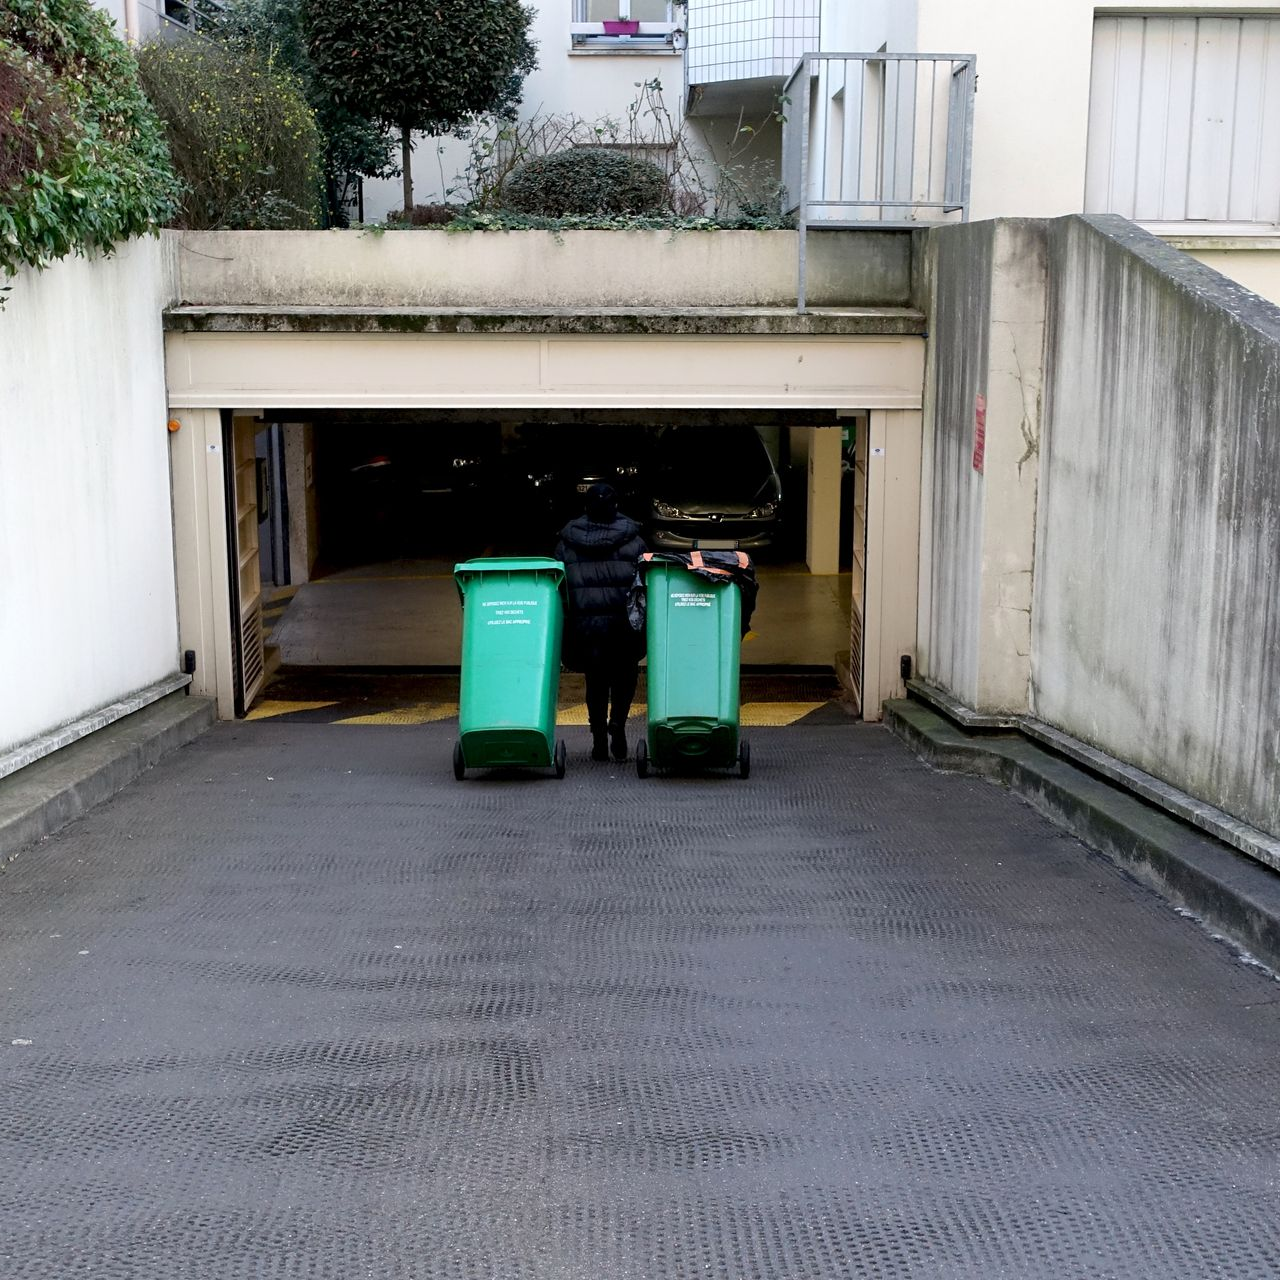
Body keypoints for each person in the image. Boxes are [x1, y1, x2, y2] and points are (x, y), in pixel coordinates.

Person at [556, 483, 646, 762]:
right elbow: (645, 586)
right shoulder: (635, 541)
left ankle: (598, 739)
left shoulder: (566, 543)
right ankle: (617, 725)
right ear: (616, 507)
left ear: (586, 507)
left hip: (586, 628)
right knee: (625, 678)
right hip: (623, 626)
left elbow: (559, 589)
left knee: (595, 682)